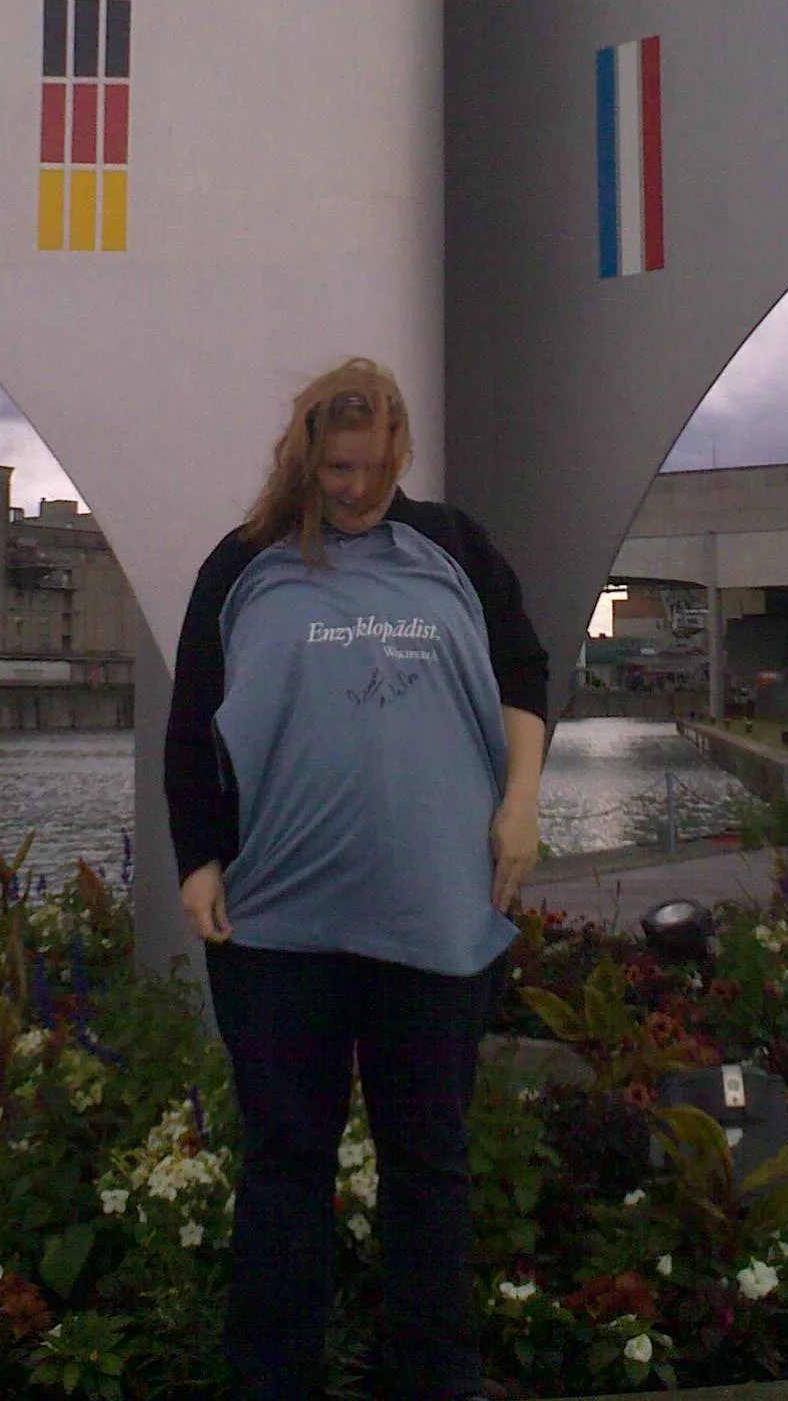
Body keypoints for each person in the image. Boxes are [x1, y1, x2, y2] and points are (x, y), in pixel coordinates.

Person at [164, 358, 550, 1401]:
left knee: (430, 1157)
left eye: (375, 469)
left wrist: (520, 802)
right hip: (277, 922)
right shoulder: (243, 562)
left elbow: (524, 671)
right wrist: (197, 854)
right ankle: (272, 1377)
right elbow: (193, 711)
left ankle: (430, 1373)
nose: (354, 487)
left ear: (401, 452)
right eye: (337, 466)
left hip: (432, 915)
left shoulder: (454, 546)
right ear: (304, 452)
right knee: (287, 1156)